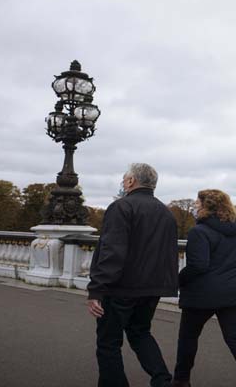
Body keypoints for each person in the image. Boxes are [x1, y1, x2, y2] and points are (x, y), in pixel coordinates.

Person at [87, 163, 178, 387]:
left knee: (109, 343)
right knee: (140, 333)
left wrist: (97, 288)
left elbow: (112, 251)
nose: (123, 182)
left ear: (130, 182)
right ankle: (162, 381)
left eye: (124, 179)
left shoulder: (121, 207)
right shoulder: (166, 213)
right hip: (152, 287)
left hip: (121, 287)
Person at [171, 189, 236, 387]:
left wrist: (177, 280)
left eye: (198, 202)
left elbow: (198, 265)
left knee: (188, 337)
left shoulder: (199, 232)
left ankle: (181, 380)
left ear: (206, 206)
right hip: (234, 292)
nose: (195, 205)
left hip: (203, 294)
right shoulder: (233, 231)